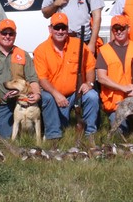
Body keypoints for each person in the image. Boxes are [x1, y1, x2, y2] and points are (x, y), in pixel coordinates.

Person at [33, 13, 99, 142]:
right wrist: (56, 94)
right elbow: (42, 79)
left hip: (76, 93)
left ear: (68, 29)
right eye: (57, 28)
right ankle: (54, 136)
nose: (60, 31)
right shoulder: (41, 50)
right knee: (46, 97)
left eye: (63, 28)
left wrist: (89, 83)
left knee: (92, 96)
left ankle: (90, 133)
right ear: (50, 29)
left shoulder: (79, 45)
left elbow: (90, 66)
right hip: (54, 95)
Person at [96, 15, 133, 133]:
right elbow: (101, 78)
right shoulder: (104, 50)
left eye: (122, 28)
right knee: (119, 134)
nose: (119, 32)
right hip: (116, 104)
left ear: (128, 29)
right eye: (116, 29)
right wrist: (124, 88)